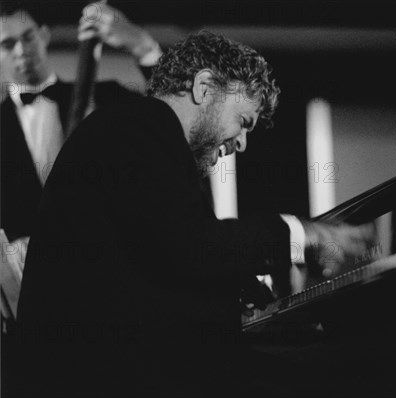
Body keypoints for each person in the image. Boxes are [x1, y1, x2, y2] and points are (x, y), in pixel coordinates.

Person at [15, 30, 373, 397]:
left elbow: (158, 254)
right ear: (204, 87)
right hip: (98, 377)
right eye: (244, 121)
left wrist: (231, 286)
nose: (242, 143)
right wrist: (301, 234)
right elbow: (190, 245)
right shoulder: (143, 126)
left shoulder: (135, 129)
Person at [0, 1, 162, 320]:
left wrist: (143, 46)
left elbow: (172, 111)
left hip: (115, 287)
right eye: (7, 43)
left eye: (28, 36)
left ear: (44, 35)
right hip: (33, 305)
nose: (21, 49)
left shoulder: (106, 98)